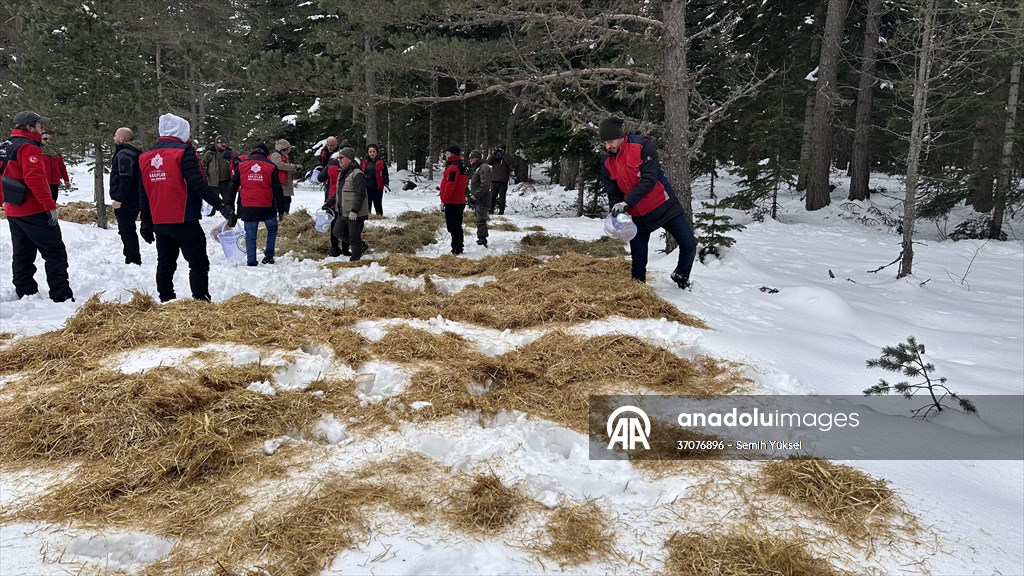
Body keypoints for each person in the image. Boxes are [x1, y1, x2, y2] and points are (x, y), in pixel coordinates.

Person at [139, 113, 236, 302]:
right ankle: (201, 302)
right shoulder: (183, 152)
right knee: (198, 263)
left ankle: (166, 301)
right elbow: (198, 184)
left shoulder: (145, 157)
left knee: (165, 263)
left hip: (160, 221)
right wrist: (222, 207)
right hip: (184, 218)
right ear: (180, 131)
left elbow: (144, 192)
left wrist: (146, 222)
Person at [599, 116, 697, 289]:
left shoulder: (642, 146)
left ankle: (681, 277)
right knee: (638, 259)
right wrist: (616, 213)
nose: (608, 147)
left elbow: (649, 180)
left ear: (620, 136)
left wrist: (626, 202)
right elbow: (613, 191)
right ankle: (638, 290)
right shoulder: (606, 162)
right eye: (605, 143)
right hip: (637, 215)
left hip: (663, 205)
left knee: (689, 243)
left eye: (610, 141)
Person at [1, 111, 74, 302]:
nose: (43, 129)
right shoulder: (28, 147)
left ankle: (26, 292)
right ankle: (61, 295)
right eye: (40, 125)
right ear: (29, 127)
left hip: (13, 209)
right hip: (34, 209)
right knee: (55, 252)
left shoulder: (5, 145)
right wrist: (50, 206)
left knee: (22, 253)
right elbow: (35, 179)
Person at [229, 143, 284, 266]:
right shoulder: (271, 166)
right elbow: (278, 190)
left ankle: (251, 261)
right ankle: (269, 255)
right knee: (272, 228)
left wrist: (230, 206)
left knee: (250, 234)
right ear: (265, 154)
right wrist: (281, 210)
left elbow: (232, 187)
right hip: (267, 206)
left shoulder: (241, 165)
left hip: (247, 206)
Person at [321, 147, 368, 261]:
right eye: (338, 158)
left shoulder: (357, 174)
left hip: (354, 213)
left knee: (353, 236)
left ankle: (355, 259)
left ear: (349, 159)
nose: (339, 160)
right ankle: (360, 245)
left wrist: (355, 210)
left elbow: (360, 194)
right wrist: (328, 203)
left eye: (341, 158)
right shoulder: (342, 173)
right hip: (343, 211)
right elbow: (338, 193)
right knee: (337, 231)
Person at [109, 127, 144, 265]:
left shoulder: (125, 154)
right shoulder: (133, 152)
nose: (114, 138)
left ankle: (132, 259)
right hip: (134, 196)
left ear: (121, 138)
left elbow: (125, 178)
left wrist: (119, 198)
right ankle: (131, 257)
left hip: (128, 199)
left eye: (115, 135)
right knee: (127, 229)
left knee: (126, 230)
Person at [439, 145, 468, 255]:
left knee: (452, 226)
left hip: (453, 201)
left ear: (452, 154)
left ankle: (456, 248)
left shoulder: (453, 167)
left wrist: (444, 199)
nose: (445, 156)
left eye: (447, 154)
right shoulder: (461, 166)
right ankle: (459, 246)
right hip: (460, 200)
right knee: (457, 225)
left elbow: (451, 185)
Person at [317, 150, 346, 256]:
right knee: (345, 224)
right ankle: (345, 248)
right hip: (345, 199)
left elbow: (320, 177)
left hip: (332, 197)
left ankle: (334, 247)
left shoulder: (331, 165)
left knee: (334, 223)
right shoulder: (351, 166)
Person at [467, 149, 492, 247]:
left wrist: (476, 195)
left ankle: (482, 238)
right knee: (479, 219)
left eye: (472, 158)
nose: (470, 160)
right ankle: (481, 237)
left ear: (476, 158)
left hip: (482, 198)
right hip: (478, 198)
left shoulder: (483, 167)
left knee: (481, 219)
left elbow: (485, 184)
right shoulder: (477, 168)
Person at [270, 139, 300, 218]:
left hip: (285, 185)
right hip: (281, 185)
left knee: (286, 201)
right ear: (283, 149)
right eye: (288, 149)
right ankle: (282, 219)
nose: (289, 151)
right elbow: (279, 165)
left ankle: (284, 218)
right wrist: (293, 167)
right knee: (283, 203)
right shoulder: (276, 155)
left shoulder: (283, 156)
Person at [201, 135, 232, 209]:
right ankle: (210, 213)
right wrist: (205, 177)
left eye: (225, 143)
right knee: (212, 202)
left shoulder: (229, 153)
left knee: (228, 201)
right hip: (213, 182)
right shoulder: (210, 153)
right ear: (216, 144)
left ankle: (229, 213)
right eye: (221, 143)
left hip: (226, 182)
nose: (224, 144)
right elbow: (204, 165)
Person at [40, 131, 70, 201]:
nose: (48, 141)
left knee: (53, 202)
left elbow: (62, 167)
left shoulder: (56, 152)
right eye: (45, 139)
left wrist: (66, 180)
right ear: (41, 139)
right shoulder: (37, 151)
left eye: (49, 139)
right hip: (42, 182)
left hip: (54, 183)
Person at [361, 143, 389, 215]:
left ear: (376, 152)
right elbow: (361, 173)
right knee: (367, 204)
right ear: (368, 153)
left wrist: (386, 183)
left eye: (373, 152)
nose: (372, 153)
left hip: (378, 187)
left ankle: (379, 216)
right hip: (367, 187)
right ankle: (367, 217)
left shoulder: (381, 162)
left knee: (378, 204)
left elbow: (385, 173)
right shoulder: (364, 162)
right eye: (370, 152)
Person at [487, 147, 512, 215]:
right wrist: (494, 154)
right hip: (494, 180)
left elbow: (510, 163)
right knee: (492, 196)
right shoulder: (495, 158)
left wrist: (503, 154)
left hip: (503, 181)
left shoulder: (507, 157)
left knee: (502, 197)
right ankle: (491, 209)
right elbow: (488, 162)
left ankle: (501, 210)